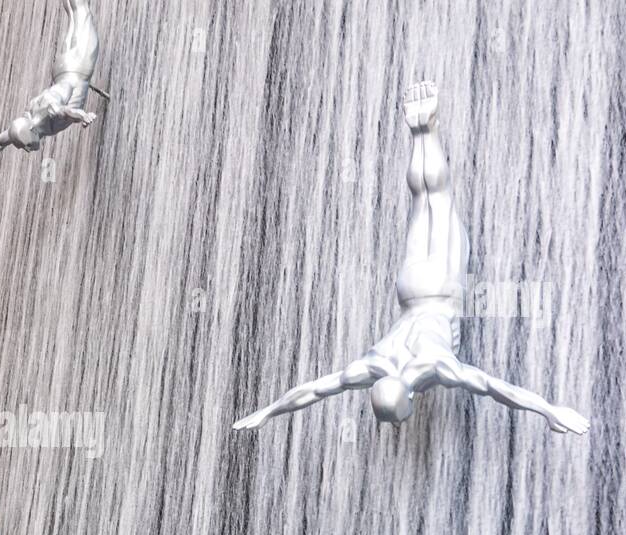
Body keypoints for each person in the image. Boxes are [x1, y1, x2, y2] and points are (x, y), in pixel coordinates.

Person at [234, 81, 589, 436]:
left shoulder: (433, 367)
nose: (400, 424)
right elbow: (314, 389)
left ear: (407, 397)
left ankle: (427, 127)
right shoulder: (369, 367)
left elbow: (494, 388)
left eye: (398, 415)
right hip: (409, 287)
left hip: (442, 288)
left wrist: (548, 411)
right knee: (424, 199)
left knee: (439, 198)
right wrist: (267, 411)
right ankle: (420, 129)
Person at [0, 0, 102, 176]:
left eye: (26, 145)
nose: (26, 149)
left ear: (31, 131)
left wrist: (83, 115)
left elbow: (65, 110)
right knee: (73, 12)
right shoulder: (24, 125)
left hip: (78, 66)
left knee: (82, 11)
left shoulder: (48, 112)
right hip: (62, 69)